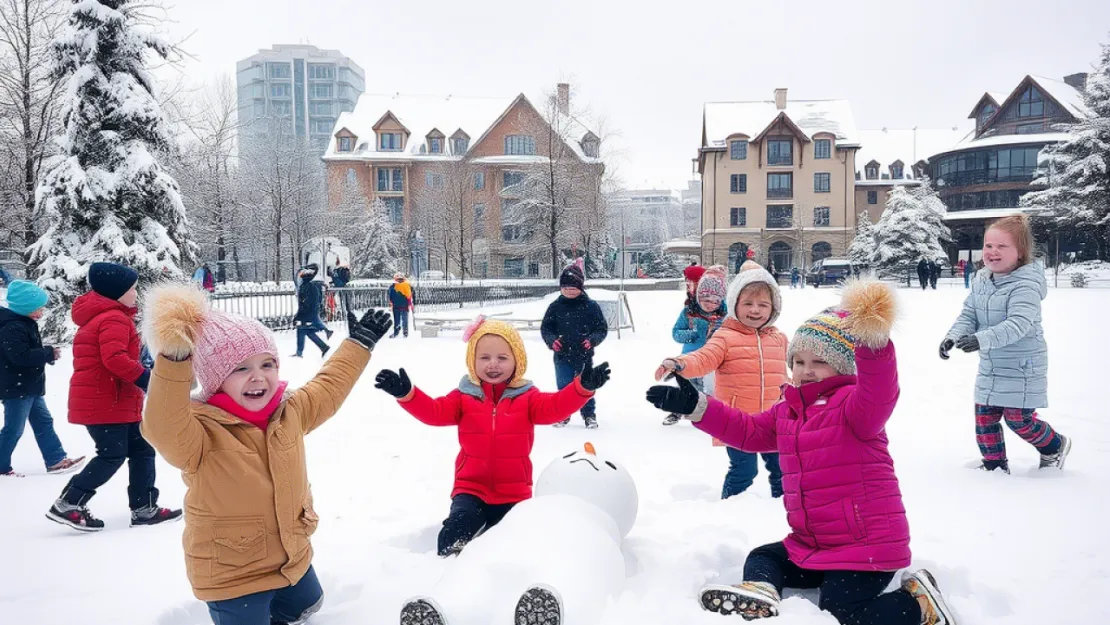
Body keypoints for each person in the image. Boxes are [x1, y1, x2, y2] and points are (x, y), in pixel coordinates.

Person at [646, 280, 958, 625]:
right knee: (764, 557)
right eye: (798, 361)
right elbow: (748, 433)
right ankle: (762, 592)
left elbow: (880, 388)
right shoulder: (788, 411)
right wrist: (699, 407)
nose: (806, 370)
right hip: (813, 543)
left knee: (843, 611)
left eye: (819, 361)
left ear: (843, 365)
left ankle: (919, 605)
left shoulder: (856, 410)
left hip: (864, 549)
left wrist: (873, 340)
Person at [140, 283, 392, 625]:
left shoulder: (289, 411)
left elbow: (328, 387)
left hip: (291, 554)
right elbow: (162, 425)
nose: (258, 377)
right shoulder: (199, 432)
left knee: (309, 604)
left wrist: (358, 345)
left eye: (268, 364)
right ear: (215, 379)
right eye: (241, 368)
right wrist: (175, 358)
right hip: (232, 572)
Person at [374, 316, 611, 557]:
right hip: (470, 489)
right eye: (484, 358)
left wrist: (582, 388)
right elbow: (435, 413)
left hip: (514, 493)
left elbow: (556, 407)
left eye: (502, 358)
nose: (493, 365)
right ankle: (446, 573)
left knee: (514, 547)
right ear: (472, 361)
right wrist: (407, 394)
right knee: (453, 535)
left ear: (517, 361)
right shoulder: (464, 396)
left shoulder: (527, 397)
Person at [46, 262, 180, 531]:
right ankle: (69, 503)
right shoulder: (113, 318)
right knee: (112, 455)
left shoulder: (105, 316)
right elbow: (115, 359)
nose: (136, 293)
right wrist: (149, 380)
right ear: (117, 292)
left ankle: (143, 507)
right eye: (132, 289)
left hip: (113, 401)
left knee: (142, 449)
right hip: (106, 402)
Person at [940, 214, 1071, 473]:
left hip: (1022, 365)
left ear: (1020, 252)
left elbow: (1018, 325)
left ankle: (1054, 446)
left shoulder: (1025, 285)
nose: (993, 252)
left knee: (1018, 419)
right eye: (989, 245)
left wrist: (980, 339)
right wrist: (952, 336)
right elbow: (970, 314)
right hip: (992, 363)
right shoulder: (982, 280)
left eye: (1002, 246)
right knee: (984, 418)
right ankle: (995, 466)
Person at [655, 260, 785, 499]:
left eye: (762, 304)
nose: (755, 310)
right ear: (735, 304)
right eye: (748, 303)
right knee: (744, 471)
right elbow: (704, 357)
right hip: (738, 420)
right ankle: (729, 510)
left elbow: (798, 370)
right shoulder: (725, 336)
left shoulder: (778, 339)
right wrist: (680, 363)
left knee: (783, 470)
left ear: (773, 308)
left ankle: (784, 509)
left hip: (774, 421)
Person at [0, 281, 85, 477]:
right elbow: (19, 357)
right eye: (38, 308)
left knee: (43, 422)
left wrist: (46, 354)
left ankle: (55, 460)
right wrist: (46, 353)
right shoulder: (12, 327)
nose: (42, 312)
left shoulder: (23, 323)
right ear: (25, 308)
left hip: (29, 385)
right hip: (17, 388)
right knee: (13, 429)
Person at [542, 259, 609, 429]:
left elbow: (601, 328)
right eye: (566, 288)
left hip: (583, 355)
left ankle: (589, 414)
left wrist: (592, 340)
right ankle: (563, 414)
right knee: (564, 386)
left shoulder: (591, 307)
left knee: (585, 385)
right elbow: (546, 328)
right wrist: (552, 341)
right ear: (560, 288)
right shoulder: (555, 307)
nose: (570, 291)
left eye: (573, 288)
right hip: (562, 355)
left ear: (581, 288)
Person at [664, 265, 727, 426]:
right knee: (686, 386)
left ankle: (710, 414)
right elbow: (676, 332)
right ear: (699, 297)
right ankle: (677, 411)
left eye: (716, 301)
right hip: (691, 356)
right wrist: (692, 334)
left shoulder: (725, 316)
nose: (711, 304)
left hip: (714, 358)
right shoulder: (689, 312)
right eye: (706, 300)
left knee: (710, 388)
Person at [293, 264, 331, 358]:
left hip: (307, 315)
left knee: (302, 330)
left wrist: (298, 316)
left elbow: (307, 304)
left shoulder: (308, 287)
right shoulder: (307, 286)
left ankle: (300, 353)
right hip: (308, 314)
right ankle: (323, 347)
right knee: (306, 332)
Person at [388, 272, 413, 338]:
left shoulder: (393, 286)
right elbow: (409, 295)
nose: (399, 280)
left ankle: (399, 333)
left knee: (398, 320)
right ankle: (403, 333)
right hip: (402, 306)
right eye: (398, 279)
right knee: (402, 320)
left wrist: (391, 303)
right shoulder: (406, 285)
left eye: (400, 279)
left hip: (399, 306)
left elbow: (390, 296)